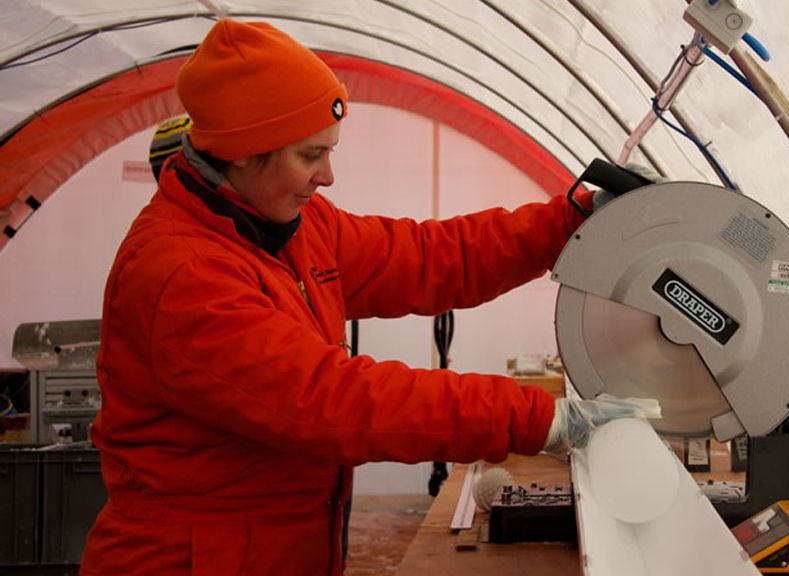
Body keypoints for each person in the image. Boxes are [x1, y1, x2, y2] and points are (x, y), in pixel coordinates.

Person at [79, 19, 658, 576]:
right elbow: (336, 401)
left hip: (274, 551)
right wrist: (543, 418)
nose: (327, 176)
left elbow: (431, 256)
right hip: (192, 562)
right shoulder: (180, 273)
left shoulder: (295, 228)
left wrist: (569, 224)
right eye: (310, 155)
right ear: (242, 152)